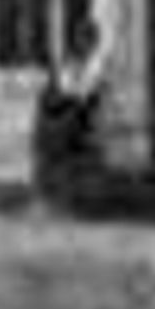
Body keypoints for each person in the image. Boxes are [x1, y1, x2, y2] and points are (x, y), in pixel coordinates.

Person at [36, 15, 109, 197]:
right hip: (66, 107)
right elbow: (64, 84)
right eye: (79, 38)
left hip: (80, 111)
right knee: (49, 118)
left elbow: (85, 91)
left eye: (85, 39)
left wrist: (70, 91)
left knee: (62, 121)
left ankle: (59, 182)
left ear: (93, 41)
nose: (81, 43)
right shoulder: (72, 61)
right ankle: (49, 181)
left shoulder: (96, 63)